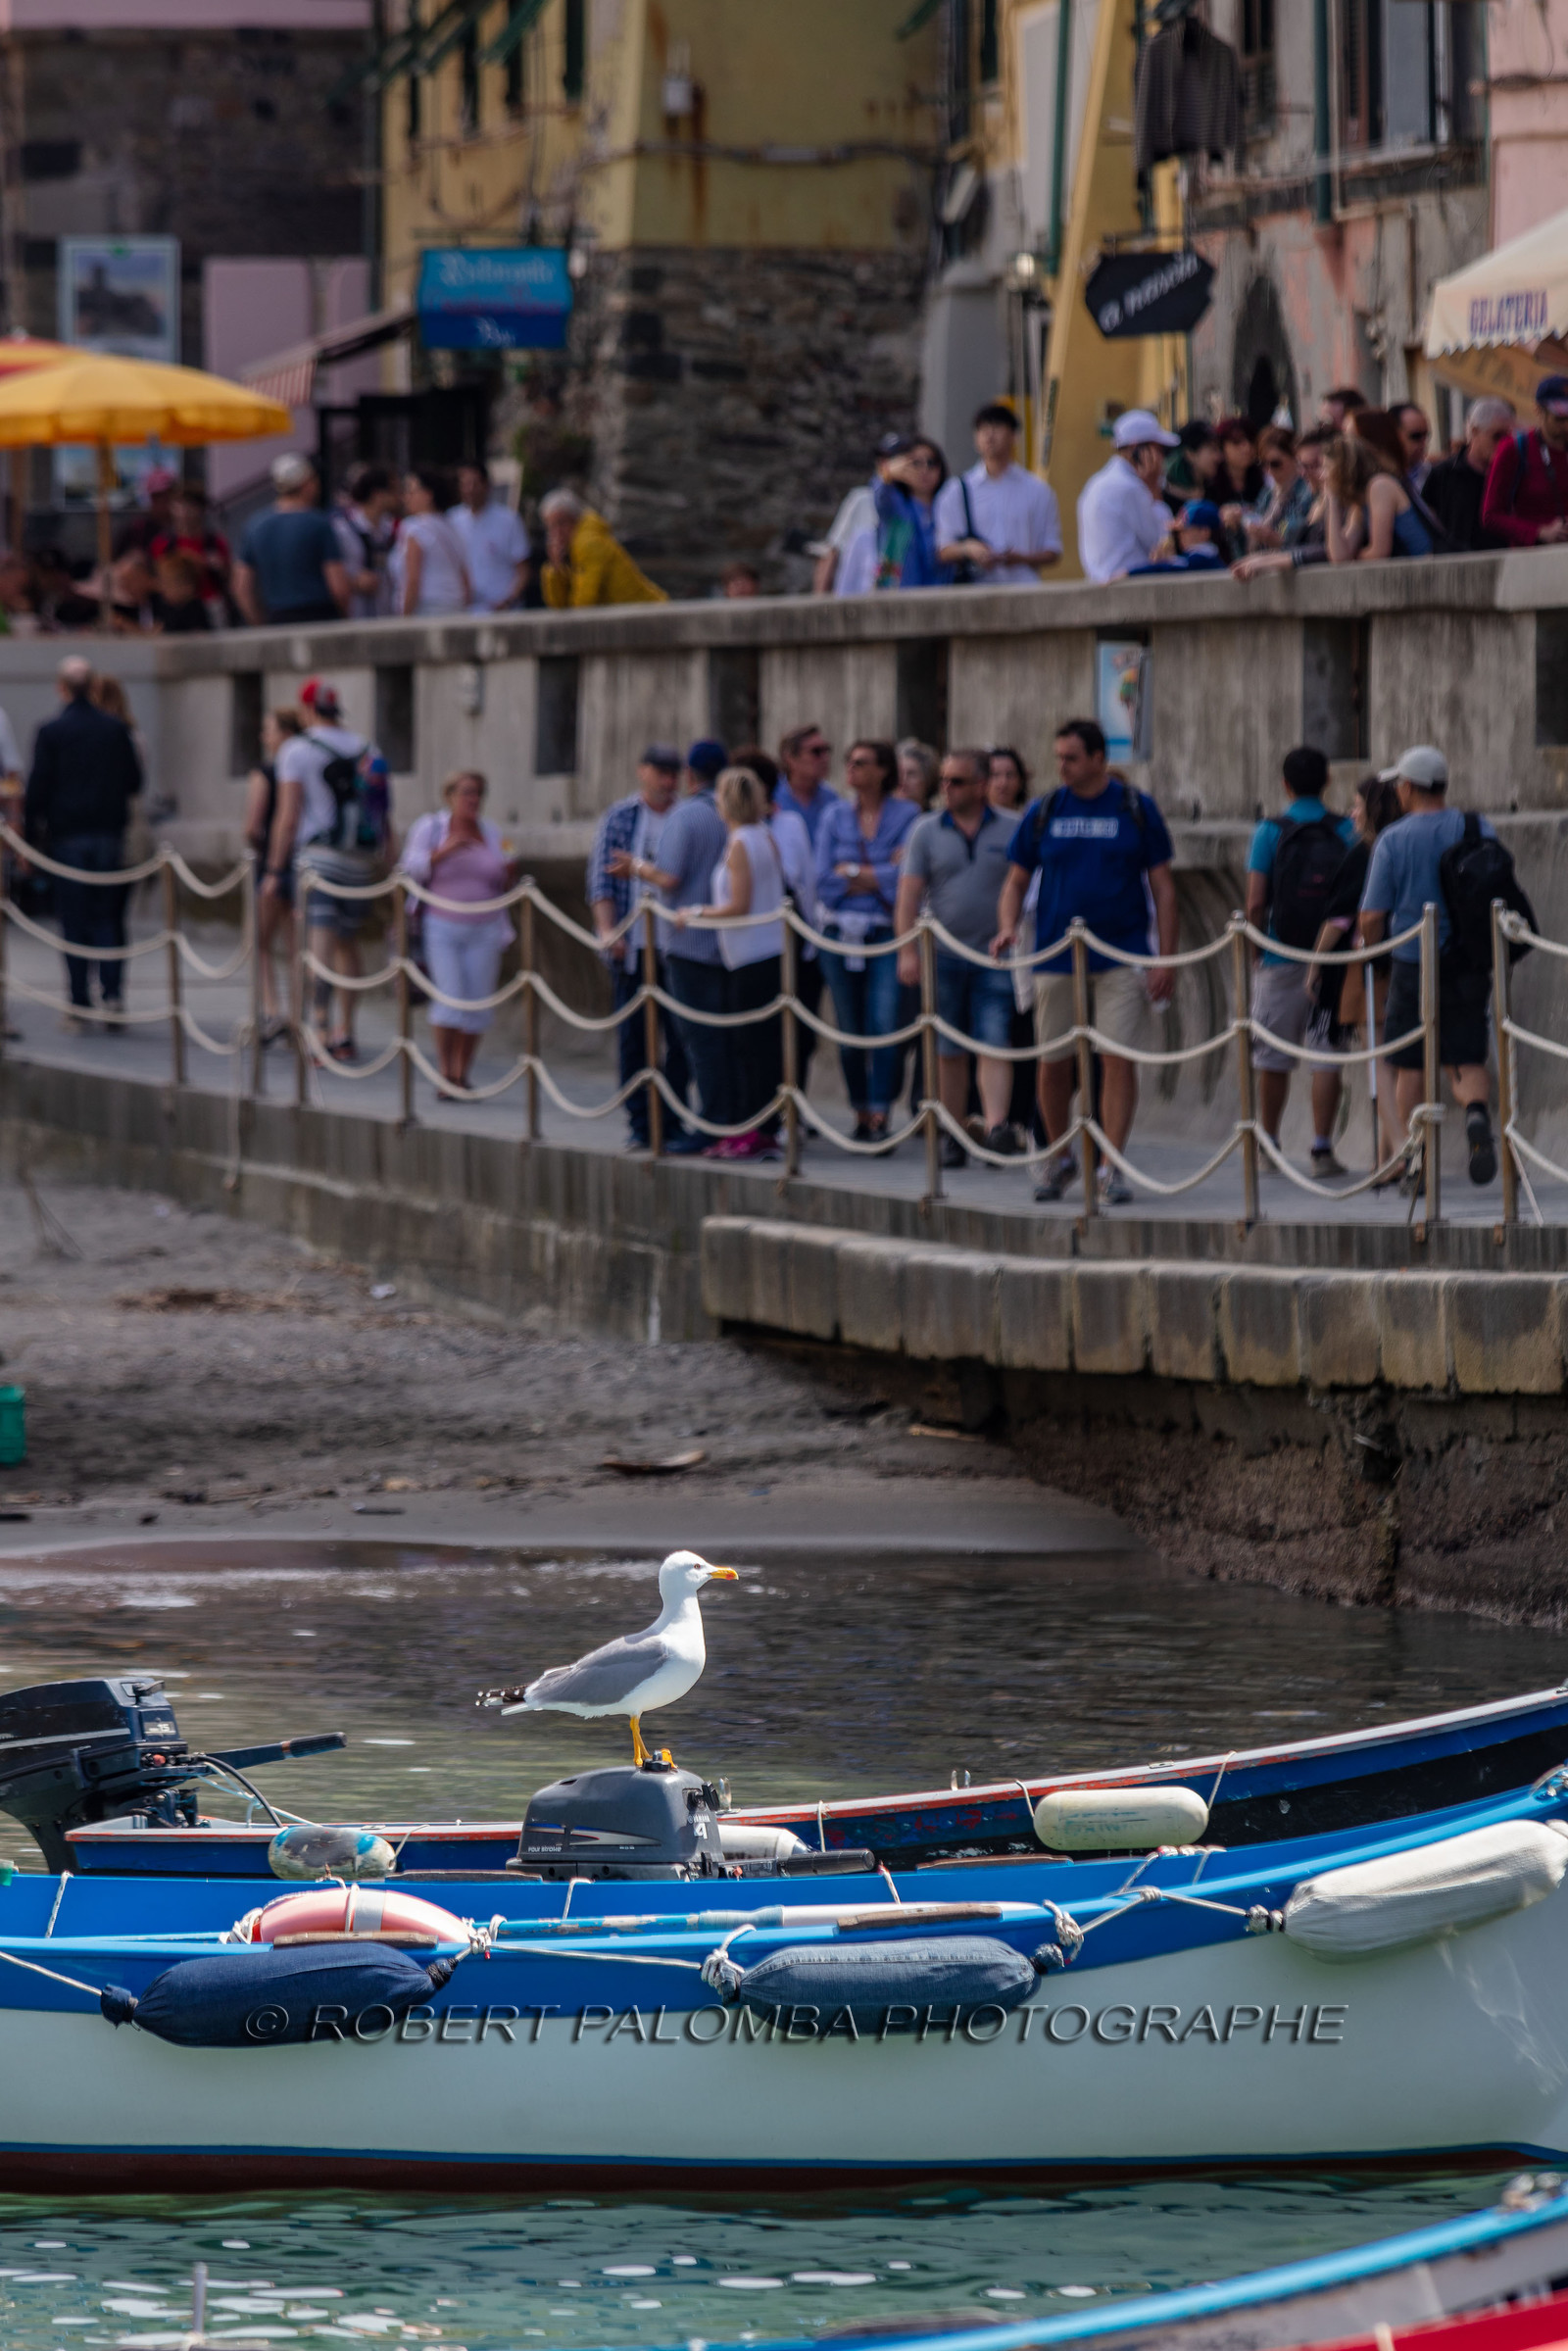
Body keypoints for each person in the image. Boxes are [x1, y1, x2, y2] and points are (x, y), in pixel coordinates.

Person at [992, 716, 1177, 1207]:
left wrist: (1166, 959)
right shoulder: (1045, 809)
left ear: (1099, 759)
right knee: (1052, 1065)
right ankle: (1059, 1154)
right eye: (1059, 758)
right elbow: (1015, 879)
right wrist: (1009, 926)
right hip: (1055, 955)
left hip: (1122, 953)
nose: (1063, 767)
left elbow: (1163, 885)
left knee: (1116, 1062)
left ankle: (1111, 1166)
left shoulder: (1136, 809)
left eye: (1072, 757)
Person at [1357, 743, 1497, 1190]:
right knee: (1465, 1055)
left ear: (1410, 788)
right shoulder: (1477, 827)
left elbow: (1372, 914)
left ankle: (1416, 1162)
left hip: (1412, 962)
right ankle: (1476, 1116)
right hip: (1468, 962)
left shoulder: (1393, 839)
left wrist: (1371, 949)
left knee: (1410, 1063)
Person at [895, 747, 1019, 1167]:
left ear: (982, 785)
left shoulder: (1012, 829)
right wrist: (906, 951)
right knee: (948, 1046)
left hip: (995, 954)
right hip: (943, 954)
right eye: (944, 780)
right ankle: (953, 1129)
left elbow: (1025, 885)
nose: (946, 788)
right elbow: (909, 894)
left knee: (993, 1038)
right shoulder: (926, 831)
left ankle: (996, 1126)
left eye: (958, 781)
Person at [1244, 745, 1358, 1180]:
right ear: (1328, 780)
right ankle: (1322, 1148)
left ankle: (1269, 1144)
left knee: (1272, 1056)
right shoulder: (1346, 829)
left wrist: (1257, 949)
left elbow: (1256, 901)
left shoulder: (1269, 832)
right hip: (1331, 956)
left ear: (1285, 784)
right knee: (1326, 1054)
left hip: (1281, 952)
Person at [264, 676, 390, 1063]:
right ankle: (345, 1031)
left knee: (317, 942)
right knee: (347, 943)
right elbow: (384, 812)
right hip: (360, 858)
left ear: (307, 710)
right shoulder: (369, 747)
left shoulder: (297, 750)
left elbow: (288, 816)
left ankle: (318, 1028)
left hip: (318, 857)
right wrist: (392, 864)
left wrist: (274, 869)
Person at [24, 655, 143, 1031]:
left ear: (61, 687)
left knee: (74, 920)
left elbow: (37, 790)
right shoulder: (114, 729)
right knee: (108, 916)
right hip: (108, 834)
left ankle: (78, 1001)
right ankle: (112, 995)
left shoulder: (52, 732)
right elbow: (134, 781)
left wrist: (28, 839)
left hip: (69, 836)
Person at [586, 743, 693, 1152]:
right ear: (642, 772)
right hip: (634, 944)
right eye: (660, 772)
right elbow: (602, 879)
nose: (668, 781)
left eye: (674, 772)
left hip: (678, 944)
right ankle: (639, 1121)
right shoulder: (621, 816)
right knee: (634, 1037)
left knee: (680, 1037)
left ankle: (675, 1118)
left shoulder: (686, 816)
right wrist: (607, 930)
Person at [678, 765, 786, 1160]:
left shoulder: (740, 841)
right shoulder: (767, 836)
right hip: (767, 952)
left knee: (749, 1048)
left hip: (750, 957)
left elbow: (738, 906)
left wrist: (694, 913)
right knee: (761, 1046)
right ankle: (764, 1127)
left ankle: (752, 1130)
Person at [815, 739, 917, 1148]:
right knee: (850, 1029)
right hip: (839, 932)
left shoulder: (909, 815)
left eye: (861, 763)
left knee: (885, 1025)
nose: (851, 769)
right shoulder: (833, 816)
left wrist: (853, 871)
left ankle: (880, 1112)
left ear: (882, 770)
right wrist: (880, 871)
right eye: (849, 762)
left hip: (887, 931)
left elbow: (908, 878)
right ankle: (859, 1109)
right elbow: (823, 881)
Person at [1304, 771, 1405, 1178]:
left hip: (1369, 966)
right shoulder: (1405, 844)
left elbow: (1343, 917)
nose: (1352, 812)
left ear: (1373, 810)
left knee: (1378, 1061)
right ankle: (1385, 1158)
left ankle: (1397, 1150)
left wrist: (1315, 964)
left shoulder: (1366, 852)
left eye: (1358, 804)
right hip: (1413, 961)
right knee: (1400, 1061)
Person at [398, 770, 515, 1096]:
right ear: (450, 796)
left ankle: (462, 1072)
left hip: (486, 926)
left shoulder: (491, 832)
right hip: (442, 924)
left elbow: (503, 873)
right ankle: (445, 1071)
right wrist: (445, 851)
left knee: (477, 1001)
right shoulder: (431, 827)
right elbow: (408, 868)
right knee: (450, 996)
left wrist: (508, 872)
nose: (472, 799)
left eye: (477, 793)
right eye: (465, 792)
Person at [644, 739, 731, 1132]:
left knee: (699, 1041)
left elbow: (670, 877)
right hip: (730, 945)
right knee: (726, 1039)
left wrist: (637, 869)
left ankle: (712, 1121)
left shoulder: (686, 815)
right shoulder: (734, 815)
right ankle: (728, 1118)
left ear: (690, 776)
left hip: (689, 942)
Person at [934, 402, 1062, 584]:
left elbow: (1053, 550)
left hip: (1023, 589)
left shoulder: (1038, 491)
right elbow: (942, 549)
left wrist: (1021, 558)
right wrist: (969, 549)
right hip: (976, 592)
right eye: (982, 429)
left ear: (1014, 436)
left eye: (996, 427)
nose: (989, 435)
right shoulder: (956, 490)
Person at [234, 455, 351, 628]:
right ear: (307, 484)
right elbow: (338, 588)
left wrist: (258, 625)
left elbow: (242, 587)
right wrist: (345, 619)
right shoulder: (319, 524)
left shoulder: (255, 525)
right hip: (320, 618)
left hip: (277, 617)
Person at [244, 705, 301, 1045]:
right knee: (296, 945)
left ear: (286, 734)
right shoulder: (306, 768)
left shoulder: (266, 772)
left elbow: (253, 825)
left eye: (270, 729)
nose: (264, 736)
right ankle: (297, 1015)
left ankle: (272, 1009)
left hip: (273, 865)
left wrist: (264, 855)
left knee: (260, 941)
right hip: (303, 863)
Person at [1077, 411, 1180, 583]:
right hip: (1128, 589)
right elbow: (1161, 540)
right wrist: (1153, 488)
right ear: (1137, 449)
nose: (1162, 458)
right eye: (1160, 450)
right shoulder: (1130, 488)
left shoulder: (1096, 482)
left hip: (1105, 586)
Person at [843, 438, 950, 592]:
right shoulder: (897, 505)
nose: (924, 469)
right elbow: (881, 494)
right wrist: (888, 472)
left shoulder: (948, 506)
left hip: (942, 596)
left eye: (931, 462)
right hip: (898, 596)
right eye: (916, 463)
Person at [539, 487, 666, 607]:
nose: (557, 533)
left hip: (649, 613)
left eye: (561, 523)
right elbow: (558, 605)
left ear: (575, 519)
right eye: (551, 527)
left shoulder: (588, 543)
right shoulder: (572, 549)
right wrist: (556, 569)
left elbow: (584, 603)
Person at [1481, 375, 1568, 549]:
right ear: (1539, 411)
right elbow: (1490, 516)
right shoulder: (1514, 449)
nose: (1566, 425)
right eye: (1559, 418)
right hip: (1533, 561)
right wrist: (1539, 532)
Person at [1423, 398, 1516, 553]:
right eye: (1496, 436)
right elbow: (1428, 521)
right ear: (1474, 431)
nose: (1503, 443)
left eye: (1508, 437)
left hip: (1504, 562)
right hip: (1456, 564)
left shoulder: (1515, 473)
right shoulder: (1444, 473)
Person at [812, 433, 901, 594]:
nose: (885, 464)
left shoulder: (916, 507)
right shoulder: (861, 500)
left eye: (893, 458)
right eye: (882, 458)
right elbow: (832, 551)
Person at [1325, 434, 1432, 563]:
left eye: (1326, 467)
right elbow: (1339, 557)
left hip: (1426, 566)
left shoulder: (1380, 486)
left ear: (1343, 469)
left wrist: (1353, 559)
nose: (1322, 475)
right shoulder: (1360, 502)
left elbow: (1379, 552)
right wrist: (1332, 500)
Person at [448, 463, 530, 613]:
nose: (469, 489)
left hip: (504, 612)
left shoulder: (509, 520)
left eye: (474, 483)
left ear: (486, 485)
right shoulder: (452, 520)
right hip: (466, 612)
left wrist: (508, 601)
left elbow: (523, 569)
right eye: (464, 484)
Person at [391, 469, 470, 618]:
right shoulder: (453, 528)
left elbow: (413, 581)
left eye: (410, 491)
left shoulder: (414, 527)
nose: (405, 497)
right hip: (457, 610)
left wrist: (404, 619)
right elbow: (466, 581)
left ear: (427, 495)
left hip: (426, 612)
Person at [151, 484, 232, 620]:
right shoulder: (163, 543)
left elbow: (229, 577)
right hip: (177, 607)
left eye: (188, 506)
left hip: (211, 604)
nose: (183, 513)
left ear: (200, 509)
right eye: (178, 506)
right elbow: (155, 579)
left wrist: (219, 566)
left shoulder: (215, 543)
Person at [332, 465, 399, 620]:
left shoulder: (390, 529)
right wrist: (354, 581)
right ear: (378, 495)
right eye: (394, 491)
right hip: (355, 616)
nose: (399, 496)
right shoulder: (343, 529)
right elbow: (331, 572)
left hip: (386, 615)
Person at [775, 724, 840, 844]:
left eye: (827, 750)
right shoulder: (773, 797)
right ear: (790, 758)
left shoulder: (832, 799)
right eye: (816, 752)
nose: (825, 758)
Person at [115, 465, 177, 560]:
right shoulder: (137, 529)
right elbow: (115, 561)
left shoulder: (184, 528)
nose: (164, 500)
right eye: (157, 496)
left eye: (168, 494)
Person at [1162, 419, 1224, 511]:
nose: (1219, 457)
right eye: (1212, 449)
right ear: (1190, 454)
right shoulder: (1166, 498)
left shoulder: (1215, 492)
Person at [150, 550, 210, 634]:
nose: (163, 589)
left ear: (188, 587)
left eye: (168, 584)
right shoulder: (163, 608)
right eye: (162, 583)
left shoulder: (195, 611)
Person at [1396, 402, 1434, 489]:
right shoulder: (1380, 478)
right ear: (1395, 435)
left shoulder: (1431, 474)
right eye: (1416, 436)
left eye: (1426, 436)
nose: (1424, 443)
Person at [896, 740, 940, 809]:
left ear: (928, 780)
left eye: (911, 774)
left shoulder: (937, 819)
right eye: (899, 773)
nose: (903, 779)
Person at [988, 747, 1030, 815]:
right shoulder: (973, 824)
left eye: (1010, 775)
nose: (1003, 783)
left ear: (1021, 781)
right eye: (995, 775)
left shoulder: (1028, 822)